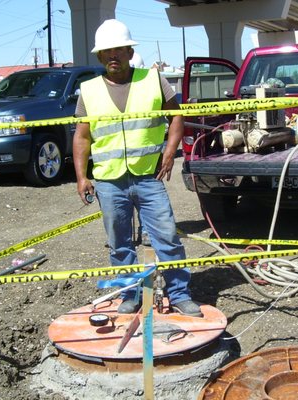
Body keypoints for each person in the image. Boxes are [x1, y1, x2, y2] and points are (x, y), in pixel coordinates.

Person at [72, 19, 202, 317]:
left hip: (148, 177)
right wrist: (81, 177)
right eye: (107, 51)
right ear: (100, 57)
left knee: (167, 237)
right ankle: (129, 294)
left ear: (130, 52)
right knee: (119, 244)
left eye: (119, 49)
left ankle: (180, 293)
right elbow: (82, 136)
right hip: (108, 181)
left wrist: (170, 152)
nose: (113, 55)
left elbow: (176, 117)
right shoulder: (88, 90)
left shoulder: (154, 80)